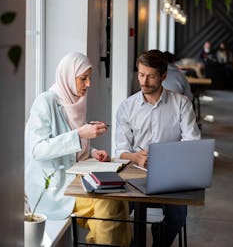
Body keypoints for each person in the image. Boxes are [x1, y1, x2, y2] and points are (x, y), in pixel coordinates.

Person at [25, 52, 131, 246]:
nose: (88, 84)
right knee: (107, 204)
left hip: (74, 177)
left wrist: (92, 152)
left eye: (89, 78)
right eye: (83, 78)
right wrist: (80, 135)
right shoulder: (45, 102)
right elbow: (36, 149)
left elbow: (69, 145)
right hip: (52, 188)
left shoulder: (74, 102)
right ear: (67, 76)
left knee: (118, 199)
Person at [115, 49, 200, 247]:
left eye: (151, 76)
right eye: (141, 74)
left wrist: (167, 158)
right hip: (134, 173)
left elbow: (192, 144)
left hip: (171, 175)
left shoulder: (181, 104)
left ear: (163, 76)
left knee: (177, 217)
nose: (144, 82)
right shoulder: (127, 106)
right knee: (115, 212)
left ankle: (159, 240)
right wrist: (135, 157)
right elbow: (120, 149)